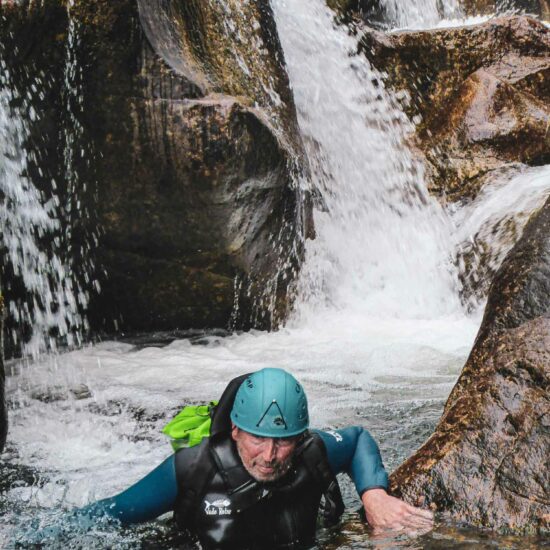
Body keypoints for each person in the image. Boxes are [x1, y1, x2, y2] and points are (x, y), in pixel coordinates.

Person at [78, 368, 433, 549]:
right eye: (257, 439)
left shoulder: (312, 451)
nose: (268, 456)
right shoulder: (193, 468)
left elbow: (358, 439)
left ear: (298, 437)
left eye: (281, 442)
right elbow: (106, 516)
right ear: (235, 431)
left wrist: (374, 494)